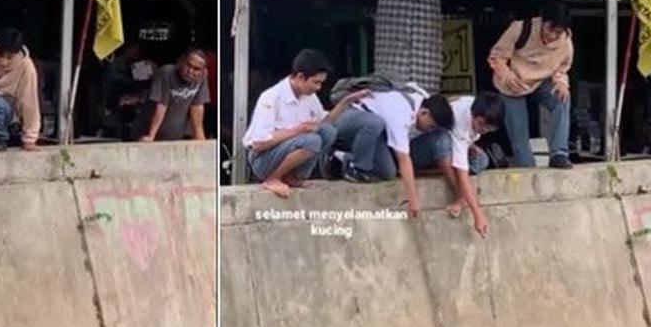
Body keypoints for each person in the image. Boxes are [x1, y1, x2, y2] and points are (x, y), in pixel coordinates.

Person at [242, 49, 370, 198]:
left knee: (328, 132)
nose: (318, 88)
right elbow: (258, 143)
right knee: (312, 140)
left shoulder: (309, 97)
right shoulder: (272, 97)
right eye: (315, 83)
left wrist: (345, 102)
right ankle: (272, 178)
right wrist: (297, 130)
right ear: (300, 77)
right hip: (263, 159)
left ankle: (294, 176)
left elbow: (324, 122)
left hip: (288, 150)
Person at [331, 88, 455, 217]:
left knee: (387, 171)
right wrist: (413, 198)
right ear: (424, 113)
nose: (429, 131)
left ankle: (340, 157)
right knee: (374, 123)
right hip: (351, 119)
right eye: (431, 126)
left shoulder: (420, 104)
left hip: (375, 135)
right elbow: (403, 157)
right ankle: (357, 169)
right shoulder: (401, 111)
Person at [487, 3, 574, 169]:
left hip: (541, 82)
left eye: (558, 32)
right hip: (513, 84)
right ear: (543, 21)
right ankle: (526, 166)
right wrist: (507, 76)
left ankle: (559, 153)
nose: (552, 35)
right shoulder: (521, 29)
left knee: (562, 98)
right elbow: (497, 57)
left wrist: (562, 83)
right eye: (550, 29)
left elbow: (562, 68)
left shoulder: (566, 43)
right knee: (519, 137)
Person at [408, 92, 505, 237]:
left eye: (488, 129)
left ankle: (440, 170)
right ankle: (459, 192)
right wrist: (476, 213)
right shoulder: (461, 124)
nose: (482, 130)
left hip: (448, 147)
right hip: (416, 148)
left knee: (481, 160)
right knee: (442, 142)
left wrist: (470, 145)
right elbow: (462, 173)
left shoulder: (475, 105)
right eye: (480, 125)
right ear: (472, 115)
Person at [139, 48, 211, 141]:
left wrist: (199, 136)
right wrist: (151, 135)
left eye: (196, 69)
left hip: (179, 134)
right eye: (188, 65)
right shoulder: (166, 72)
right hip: (153, 131)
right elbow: (161, 105)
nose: (190, 71)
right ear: (181, 61)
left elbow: (197, 105)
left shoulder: (202, 75)